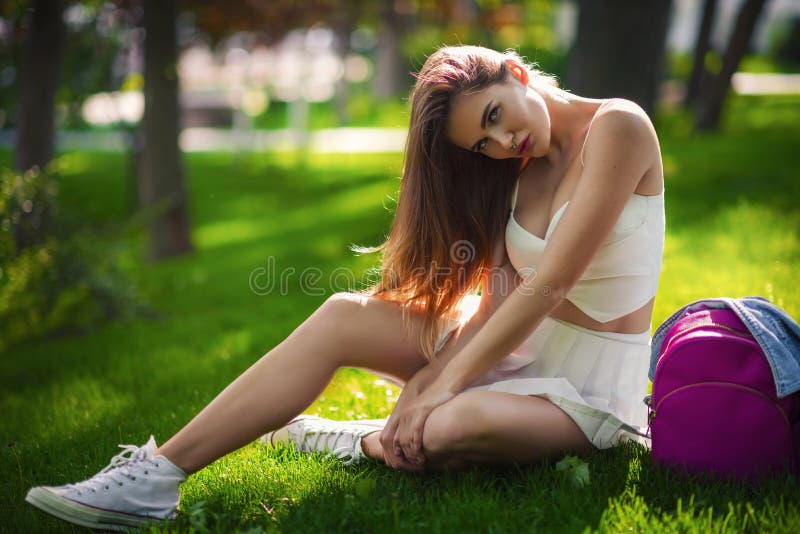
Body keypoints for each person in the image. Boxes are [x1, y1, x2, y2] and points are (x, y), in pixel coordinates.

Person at [26, 44, 665, 530]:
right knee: (341, 316)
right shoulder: (517, 169)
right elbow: (500, 297)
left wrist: (439, 385)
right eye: (483, 142)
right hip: (516, 346)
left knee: (446, 426)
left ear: (515, 72)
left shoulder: (619, 128)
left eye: (495, 116)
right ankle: (157, 475)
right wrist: (429, 374)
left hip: (590, 391)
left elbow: (548, 285)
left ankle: (346, 435)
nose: (502, 142)